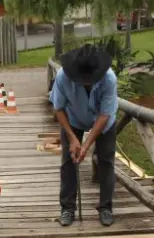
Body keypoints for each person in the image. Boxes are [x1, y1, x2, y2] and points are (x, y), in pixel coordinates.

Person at [50, 44, 118, 227]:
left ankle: (105, 207)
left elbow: (104, 115)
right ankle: (67, 208)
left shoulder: (109, 79)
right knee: (68, 160)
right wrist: (73, 139)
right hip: (73, 118)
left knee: (106, 161)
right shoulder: (63, 77)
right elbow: (58, 108)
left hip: (103, 122)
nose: (87, 81)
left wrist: (86, 145)